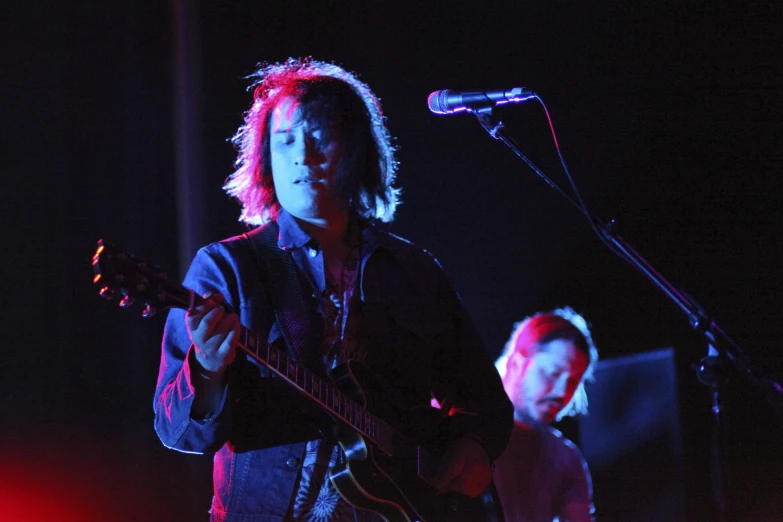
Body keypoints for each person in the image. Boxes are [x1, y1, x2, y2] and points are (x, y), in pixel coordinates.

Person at [152, 57, 514, 522]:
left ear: (356, 148)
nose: (302, 156)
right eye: (284, 142)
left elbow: (483, 397)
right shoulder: (227, 268)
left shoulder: (414, 271)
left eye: (319, 136)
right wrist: (206, 369)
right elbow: (178, 432)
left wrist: (471, 442)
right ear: (266, 158)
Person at [493, 307, 599, 522]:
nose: (562, 392)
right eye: (553, 373)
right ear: (515, 364)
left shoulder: (566, 459)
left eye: (573, 382)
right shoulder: (452, 421)